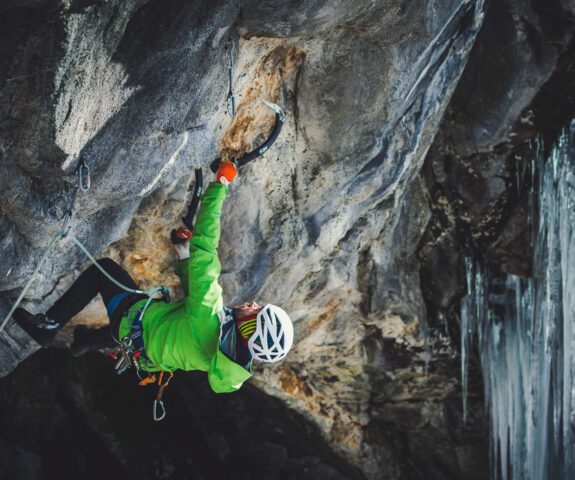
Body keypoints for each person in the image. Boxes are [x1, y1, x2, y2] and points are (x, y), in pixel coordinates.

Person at [13, 161, 294, 393]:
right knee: (115, 332)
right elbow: (194, 300)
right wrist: (183, 253)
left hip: (131, 323)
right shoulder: (222, 357)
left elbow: (206, 246)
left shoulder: (209, 313)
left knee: (105, 271)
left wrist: (220, 184)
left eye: (257, 312)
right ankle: (83, 344)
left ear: (249, 329)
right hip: (142, 353)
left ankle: (48, 327)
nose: (254, 305)